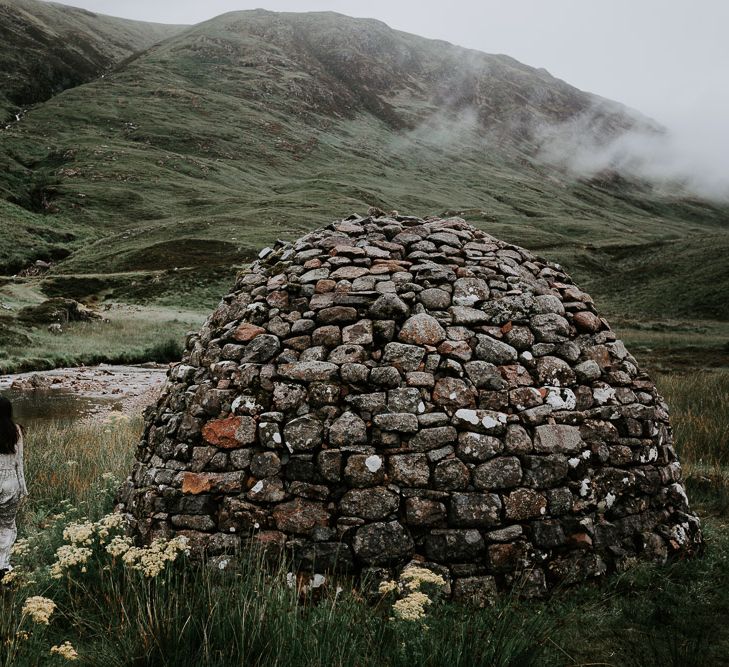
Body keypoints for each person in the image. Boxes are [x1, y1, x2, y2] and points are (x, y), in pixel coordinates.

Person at [0, 396, 28, 579]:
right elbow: (19, 464)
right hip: (11, 484)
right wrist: (23, 489)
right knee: (7, 525)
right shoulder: (16, 431)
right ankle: (3, 565)